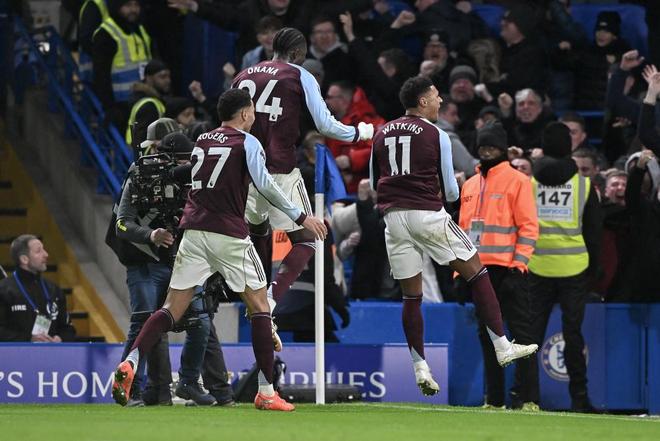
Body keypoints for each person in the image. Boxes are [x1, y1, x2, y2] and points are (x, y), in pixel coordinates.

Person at [111, 88, 327, 411]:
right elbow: (266, 186)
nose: (254, 117)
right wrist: (300, 216)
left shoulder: (203, 141)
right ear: (245, 113)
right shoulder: (247, 142)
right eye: (252, 112)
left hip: (193, 233)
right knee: (260, 308)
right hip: (229, 233)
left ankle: (130, 360)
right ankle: (267, 391)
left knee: (170, 309)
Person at [369, 76, 537, 396]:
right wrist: (449, 191)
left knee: (411, 296)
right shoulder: (437, 133)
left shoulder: (381, 132)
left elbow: (375, 179)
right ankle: (503, 346)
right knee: (478, 272)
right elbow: (450, 191)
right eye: (435, 96)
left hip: (393, 218)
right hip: (426, 213)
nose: (440, 101)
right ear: (422, 102)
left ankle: (420, 366)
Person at [231, 27, 373, 303]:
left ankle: (256, 300)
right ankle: (271, 297)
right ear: (297, 52)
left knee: (258, 231)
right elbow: (325, 125)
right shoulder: (299, 74)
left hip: (243, 170)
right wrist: (359, 133)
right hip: (279, 169)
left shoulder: (243, 74)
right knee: (309, 238)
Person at [107, 131, 217, 406]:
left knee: (201, 320)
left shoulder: (197, 178)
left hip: (182, 260)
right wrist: (150, 235)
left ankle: (188, 382)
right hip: (145, 261)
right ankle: (130, 389)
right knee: (143, 320)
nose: (186, 167)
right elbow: (121, 224)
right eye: (182, 161)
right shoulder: (141, 176)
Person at [458, 122, 539, 410]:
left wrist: (519, 266)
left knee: (522, 335)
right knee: (488, 336)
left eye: (491, 147)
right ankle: (494, 400)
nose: (486, 151)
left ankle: (529, 399)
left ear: (502, 149)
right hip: (478, 271)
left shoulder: (518, 181)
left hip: (509, 270)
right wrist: (459, 272)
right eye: (483, 146)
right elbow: (462, 232)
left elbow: (529, 227)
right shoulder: (470, 184)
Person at [527, 122, 602, 412]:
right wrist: (593, 270)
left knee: (530, 337)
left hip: (536, 267)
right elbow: (594, 233)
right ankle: (580, 399)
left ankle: (526, 396)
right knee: (573, 336)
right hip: (574, 269)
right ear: (568, 146)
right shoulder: (584, 185)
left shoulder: (529, 184)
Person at [0, 235, 76, 342]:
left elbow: (68, 328)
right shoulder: (4, 290)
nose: (46, 254)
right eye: (38, 251)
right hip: (16, 352)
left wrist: (60, 339)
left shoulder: (54, 289)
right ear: (24, 259)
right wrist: (28, 339)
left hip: (51, 352)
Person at [92, 0, 152, 132]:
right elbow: (101, 74)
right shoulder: (106, 33)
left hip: (144, 100)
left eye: (136, 5)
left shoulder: (139, 29)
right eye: (128, 5)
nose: (133, 10)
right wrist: (109, 107)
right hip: (121, 105)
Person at [324, 81, 386, 192]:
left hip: (361, 190)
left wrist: (351, 159)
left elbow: (380, 149)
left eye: (329, 97)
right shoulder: (331, 123)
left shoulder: (369, 123)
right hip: (336, 188)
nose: (326, 101)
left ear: (342, 100)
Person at [125, 60, 171, 148]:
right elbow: (143, 139)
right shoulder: (148, 105)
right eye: (162, 77)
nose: (168, 80)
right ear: (148, 78)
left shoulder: (154, 100)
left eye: (168, 76)